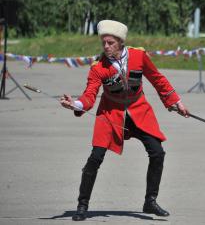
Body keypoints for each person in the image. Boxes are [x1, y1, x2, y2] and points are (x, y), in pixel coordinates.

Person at [60, 20, 189, 221]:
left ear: (120, 42)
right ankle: (82, 205)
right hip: (110, 114)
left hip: (139, 111)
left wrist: (176, 102)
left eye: (110, 42)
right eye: (103, 43)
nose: (106, 47)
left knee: (157, 153)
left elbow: (157, 79)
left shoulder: (139, 55)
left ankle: (150, 201)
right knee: (95, 158)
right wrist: (75, 104)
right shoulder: (98, 67)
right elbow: (89, 95)